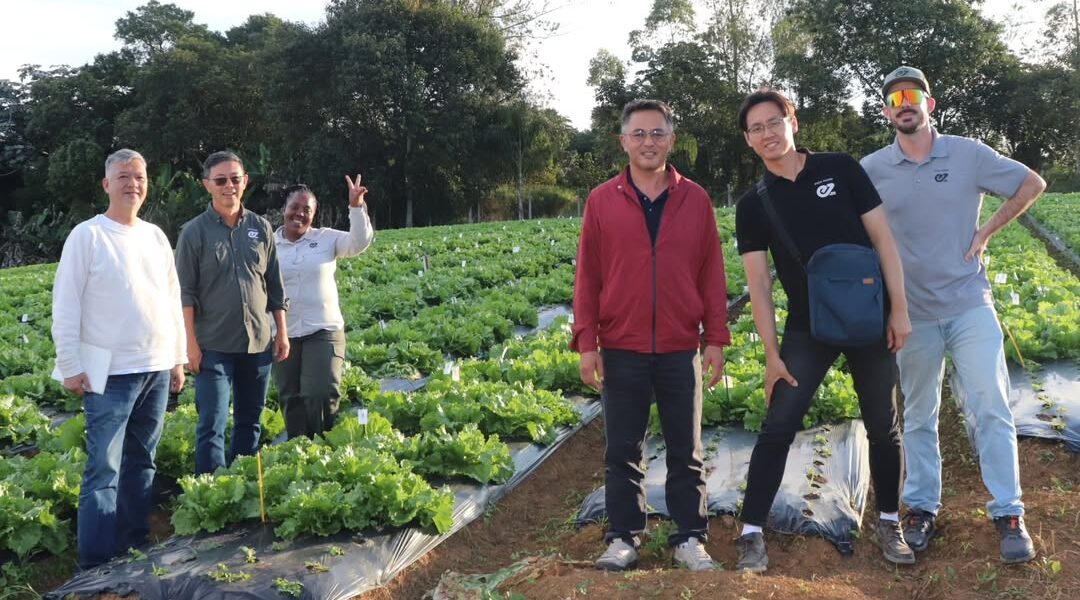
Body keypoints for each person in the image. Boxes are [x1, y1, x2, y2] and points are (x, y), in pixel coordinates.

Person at [861, 66, 1046, 564]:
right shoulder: (872, 168)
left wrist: (986, 231)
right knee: (918, 414)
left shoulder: (967, 154)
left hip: (969, 303)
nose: (904, 103)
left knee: (990, 405)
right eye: (894, 97)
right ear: (885, 111)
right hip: (911, 313)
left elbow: (1031, 183)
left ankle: (1008, 512)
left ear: (929, 104)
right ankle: (920, 508)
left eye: (912, 94)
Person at [732, 89, 914, 572]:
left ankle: (890, 521)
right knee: (778, 425)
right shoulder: (754, 204)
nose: (768, 134)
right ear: (748, 141)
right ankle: (750, 532)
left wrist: (899, 311)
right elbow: (760, 287)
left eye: (774, 122)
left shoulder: (841, 168)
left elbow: (883, 240)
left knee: (883, 425)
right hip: (808, 327)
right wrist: (772, 355)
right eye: (756, 129)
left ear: (793, 120)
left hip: (869, 319)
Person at [571, 99, 731, 572]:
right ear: (623, 142)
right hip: (622, 347)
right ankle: (624, 535)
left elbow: (712, 275)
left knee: (687, 450)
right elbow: (588, 277)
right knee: (622, 449)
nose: (648, 142)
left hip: (681, 347)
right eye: (638, 134)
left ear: (671, 140)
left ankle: (689, 537)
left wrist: (715, 339)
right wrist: (586, 343)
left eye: (657, 133)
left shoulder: (695, 198)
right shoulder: (602, 200)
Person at [52, 149, 187, 569]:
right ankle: (95, 562)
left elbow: (171, 298)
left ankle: (133, 544)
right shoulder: (88, 236)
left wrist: (178, 358)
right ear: (107, 185)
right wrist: (70, 363)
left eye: (140, 176)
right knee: (103, 469)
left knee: (141, 461)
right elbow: (66, 303)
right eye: (124, 176)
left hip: (155, 368)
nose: (134, 183)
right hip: (109, 374)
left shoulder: (155, 236)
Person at [175, 151, 290, 475]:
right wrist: (190, 345)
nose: (229, 186)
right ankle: (211, 493)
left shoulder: (261, 227)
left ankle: (243, 484)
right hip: (213, 346)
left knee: (250, 421)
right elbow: (184, 293)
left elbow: (274, 285)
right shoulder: (194, 233)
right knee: (211, 423)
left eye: (235, 179)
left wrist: (280, 332)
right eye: (221, 180)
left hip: (257, 343)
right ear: (207, 185)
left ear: (245, 182)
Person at [272, 176, 373, 439]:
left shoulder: (326, 239)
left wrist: (356, 207)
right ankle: (299, 448)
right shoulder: (268, 244)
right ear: (285, 209)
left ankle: (324, 444)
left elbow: (358, 243)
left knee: (320, 392)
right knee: (290, 396)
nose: (300, 213)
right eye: (295, 207)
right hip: (283, 333)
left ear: (313, 216)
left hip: (323, 329)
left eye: (307, 210)